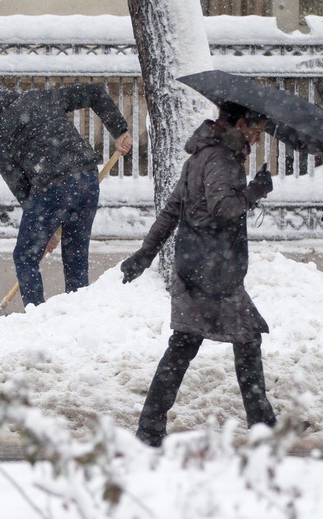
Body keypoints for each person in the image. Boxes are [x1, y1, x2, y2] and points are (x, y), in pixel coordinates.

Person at [120, 102, 277, 447]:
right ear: (239, 122)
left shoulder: (199, 157)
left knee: (195, 345)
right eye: (256, 129)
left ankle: (151, 426)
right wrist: (256, 190)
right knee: (234, 342)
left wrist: (143, 256)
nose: (258, 137)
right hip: (214, 271)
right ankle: (261, 426)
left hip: (198, 267)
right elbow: (224, 210)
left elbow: (171, 211)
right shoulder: (221, 159)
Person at [0, 84, 133, 307]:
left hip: (51, 187)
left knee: (25, 256)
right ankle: (78, 314)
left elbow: (20, 185)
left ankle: (37, 318)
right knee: (75, 258)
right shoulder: (37, 96)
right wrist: (119, 130)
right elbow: (94, 92)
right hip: (87, 178)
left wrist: (44, 227)